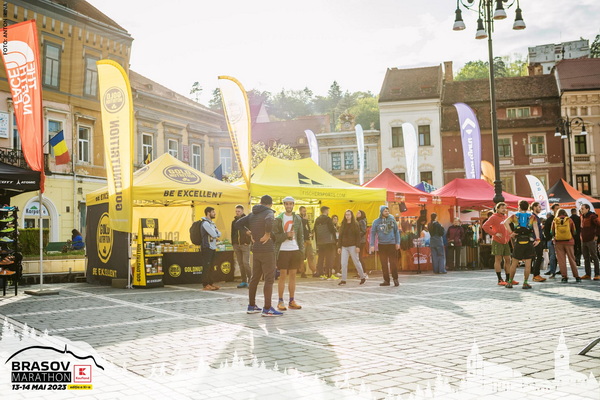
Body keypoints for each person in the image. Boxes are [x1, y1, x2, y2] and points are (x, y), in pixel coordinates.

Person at [235, 195, 282, 317]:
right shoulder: (269, 212)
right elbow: (269, 221)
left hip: (256, 250)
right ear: (270, 204)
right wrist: (267, 234)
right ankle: (267, 308)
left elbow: (238, 223)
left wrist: (248, 232)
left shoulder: (252, 214)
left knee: (254, 278)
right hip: (267, 250)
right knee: (269, 279)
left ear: (261, 203)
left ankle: (251, 306)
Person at [273, 196, 304, 311]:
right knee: (282, 276)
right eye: (287, 204)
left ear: (293, 205)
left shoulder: (298, 218)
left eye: (291, 204)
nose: (289, 206)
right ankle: (280, 301)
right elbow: (275, 237)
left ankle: (292, 300)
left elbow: (300, 236)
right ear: (284, 205)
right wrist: (286, 235)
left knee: (293, 276)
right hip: (283, 250)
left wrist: (301, 252)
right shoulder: (278, 219)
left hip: (295, 249)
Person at [503, 200, 541, 289]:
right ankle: (525, 283)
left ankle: (509, 282)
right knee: (528, 263)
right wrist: (537, 239)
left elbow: (505, 223)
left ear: (519, 206)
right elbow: (535, 228)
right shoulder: (532, 217)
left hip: (518, 241)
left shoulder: (514, 216)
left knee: (514, 263)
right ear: (528, 207)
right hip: (528, 241)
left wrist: (511, 233)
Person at [482, 202, 513, 285]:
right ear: (497, 209)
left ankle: (508, 279)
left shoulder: (506, 217)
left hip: (506, 241)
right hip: (497, 241)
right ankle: (500, 279)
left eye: (505, 208)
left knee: (508, 259)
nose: (504, 209)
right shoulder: (493, 217)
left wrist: (509, 236)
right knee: (498, 259)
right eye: (502, 208)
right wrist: (495, 233)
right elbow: (485, 226)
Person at [370, 205, 401, 286]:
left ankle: (395, 279)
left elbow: (396, 231)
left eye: (388, 211)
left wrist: (397, 242)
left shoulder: (392, 220)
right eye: (385, 211)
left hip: (391, 244)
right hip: (382, 245)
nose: (387, 212)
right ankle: (386, 280)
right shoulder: (376, 222)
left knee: (393, 263)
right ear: (381, 212)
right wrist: (372, 245)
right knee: (384, 264)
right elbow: (372, 233)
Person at [337, 210, 367, 286]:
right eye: (346, 215)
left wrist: (358, 246)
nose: (347, 216)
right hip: (344, 246)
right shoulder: (343, 224)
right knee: (343, 263)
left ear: (351, 215)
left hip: (353, 246)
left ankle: (362, 277)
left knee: (356, 262)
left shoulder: (355, 224)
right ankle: (343, 280)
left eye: (348, 215)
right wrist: (339, 247)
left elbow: (358, 236)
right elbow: (340, 236)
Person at [552, 208, 581, 283]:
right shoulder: (569, 220)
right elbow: (574, 231)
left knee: (561, 261)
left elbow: (551, 232)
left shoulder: (555, 220)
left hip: (558, 243)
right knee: (572, 259)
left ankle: (564, 277)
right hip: (569, 242)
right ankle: (576, 276)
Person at [200, 207, 221, 291]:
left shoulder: (212, 223)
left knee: (212, 266)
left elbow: (219, 233)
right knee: (206, 266)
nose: (214, 213)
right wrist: (216, 233)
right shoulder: (205, 223)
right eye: (213, 212)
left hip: (212, 247)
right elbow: (214, 234)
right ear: (208, 213)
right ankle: (205, 284)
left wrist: (216, 233)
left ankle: (211, 283)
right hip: (207, 247)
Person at [314, 206, 338, 280]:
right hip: (329, 242)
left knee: (321, 258)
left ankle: (321, 273)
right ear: (326, 211)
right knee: (329, 258)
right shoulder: (328, 219)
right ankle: (329, 274)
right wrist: (336, 240)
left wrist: (317, 242)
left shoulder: (317, 219)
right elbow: (332, 230)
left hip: (320, 242)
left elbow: (315, 230)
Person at [231, 205, 251, 289]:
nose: (237, 213)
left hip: (245, 245)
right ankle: (244, 281)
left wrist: (248, 242)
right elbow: (232, 233)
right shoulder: (233, 222)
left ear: (242, 211)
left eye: (238, 211)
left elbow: (250, 232)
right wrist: (233, 243)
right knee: (240, 264)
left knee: (246, 263)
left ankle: (251, 280)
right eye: (236, 211)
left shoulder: (247, 220)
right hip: (236, 245)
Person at [580, 203, 600, 280]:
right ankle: (587, 274)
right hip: (584, 239)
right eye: (581, 208)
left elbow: (598, 225)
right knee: (586, 258)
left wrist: (596, 235)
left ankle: (597, 274)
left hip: (591, 239)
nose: (581, 210)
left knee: (594, 257)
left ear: (587, 209)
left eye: (582, 208)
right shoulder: (582, 216)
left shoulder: (592, 216)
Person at [530, 202, 547, 283]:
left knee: (538, 257)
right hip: (536, 240)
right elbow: (533, 229)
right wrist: (536, 239)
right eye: (539, 207)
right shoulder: (533, 217)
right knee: (538, 256)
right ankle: (536, 274)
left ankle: (535, 274)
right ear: (534, 207)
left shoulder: (536, 217)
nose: (540, 208)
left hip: (537, 240)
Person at [298, 206, 317, 278]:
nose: (305, 212)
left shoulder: (306, 219)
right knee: (302, 257)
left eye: (305, 211)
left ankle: (314, 271)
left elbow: (307, 228)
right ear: (300, 211)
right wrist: (304, 220)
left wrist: (310, 233)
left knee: (311, 256)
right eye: (303, 211)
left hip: (308, 240)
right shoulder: (298, 218)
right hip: (302, 241)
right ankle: (302, 272)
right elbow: (300, 228)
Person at [543, 203, 561, 276]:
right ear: (553, 209)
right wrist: (549, 239)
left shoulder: (562, 218)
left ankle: (561, 270)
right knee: (552, 256)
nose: (558, 210)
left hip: (560, 240)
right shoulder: (550, 219)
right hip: (551, 240)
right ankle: (552, 271)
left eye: (559, 208)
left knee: (560, 256)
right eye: (556, 208)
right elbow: (546, 230)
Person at [356, 210, 369, 275]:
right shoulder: (359, 221)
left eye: (359, 213)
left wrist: (357, 235)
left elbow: (364, 231)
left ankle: (363, 271)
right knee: (358, 257)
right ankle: (360, 271)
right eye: (357, 213)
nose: (357, 214)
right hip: (360, 240)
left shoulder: (361, 221)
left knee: (359, 257)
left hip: (360, 241)